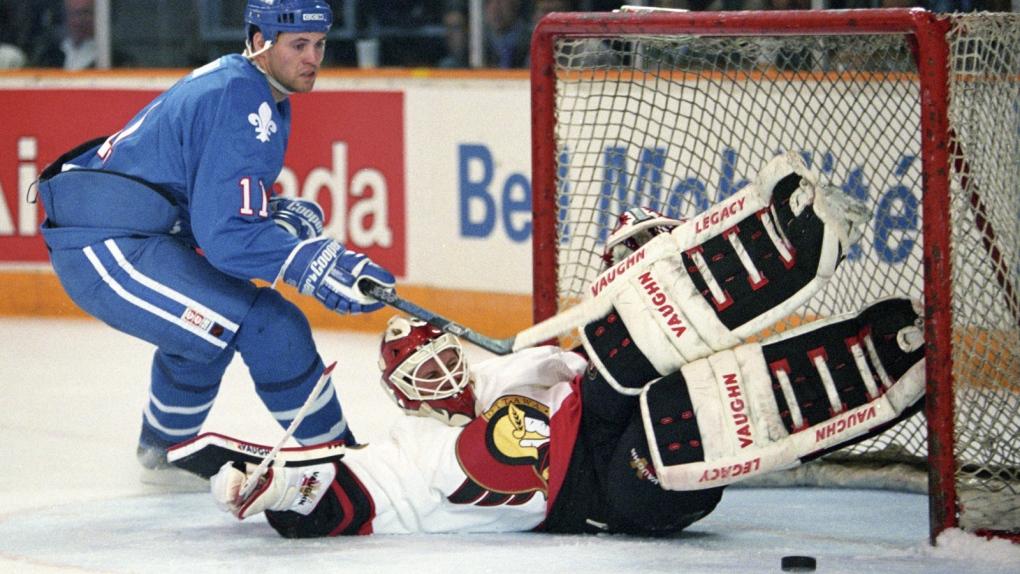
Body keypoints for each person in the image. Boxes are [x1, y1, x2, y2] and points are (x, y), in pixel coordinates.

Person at [197, 155, 927, 537]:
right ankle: (852, 379)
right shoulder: (409, 446)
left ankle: (783, 266)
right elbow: (345, 503)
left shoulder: (511, 371)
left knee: (628, 359)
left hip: (605, 422)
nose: (442, 367)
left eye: (441, 352)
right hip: (615, 497)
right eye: (423, 368)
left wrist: (630, 300)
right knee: (671, 417)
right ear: (404, 395)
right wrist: (286, 492)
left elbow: (595, 374)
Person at [34, 0, 394, 486]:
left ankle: (162, 458)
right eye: (299, 45)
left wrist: (269, 216)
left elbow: (212, 209)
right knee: (269, 323)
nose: (313, 58)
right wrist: (307, 260)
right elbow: (226, 240)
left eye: (319, 45)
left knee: (204, 336)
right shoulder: (243, 96)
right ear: (258, 43)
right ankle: (344, 466)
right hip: (107, 247)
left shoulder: (245, 86)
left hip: (129, 235)